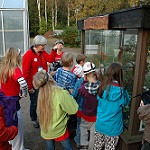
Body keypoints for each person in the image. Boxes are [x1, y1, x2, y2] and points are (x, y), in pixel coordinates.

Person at [33, 69, 78, 150]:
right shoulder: (60, 93)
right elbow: (73, 110)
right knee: (68, 148)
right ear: (50, 79)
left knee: (50, 147)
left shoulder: (40, 95)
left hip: (46, 130)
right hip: (59, 130)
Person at [22, 35, 57, 128]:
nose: (44, 47)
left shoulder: (42, 52)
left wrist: (53, 50)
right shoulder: (28, 55)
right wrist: (29, 87)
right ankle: (34, 119)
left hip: (44, 83)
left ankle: (44, 118)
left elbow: (50, 59)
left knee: (44, 101)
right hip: (34, 85)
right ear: (37, 45)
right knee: (34, 103)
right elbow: (25, 73)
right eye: (43, 45)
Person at [94, 63, 130, 150]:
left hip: (100, 124)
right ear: (120, 75)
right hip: (113, 128)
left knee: (97, 147)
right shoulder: (122, 92)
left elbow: (98, 99)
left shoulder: (102, 87)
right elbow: (125, 104)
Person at [0, 47, 28, 150]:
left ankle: (11, 143)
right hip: (13, 102)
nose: (20, 57)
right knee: (18, 125)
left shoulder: (4, 67)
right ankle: (19, 148)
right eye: (19, 55)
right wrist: (24, 93)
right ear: (16, 56)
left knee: (8, 122)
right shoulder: (15, 69)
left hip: (4, 100)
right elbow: (23, 82)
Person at [78, 62, 100, 150]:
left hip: (86, 114)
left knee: (83, 127)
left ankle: (84, 145)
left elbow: (79, 92)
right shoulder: (101, 86)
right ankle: (91, 147)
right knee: (93, 134)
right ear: (96, 74)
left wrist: (84, 81)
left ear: (85, 76)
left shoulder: (83, 88)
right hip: (96, 115)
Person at [72, 77, 84, 148]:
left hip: (80, 109)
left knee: (80, 125)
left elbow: (74, 96)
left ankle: (78, 141)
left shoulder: (79, 82)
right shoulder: (98, 83)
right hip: (92, 112)